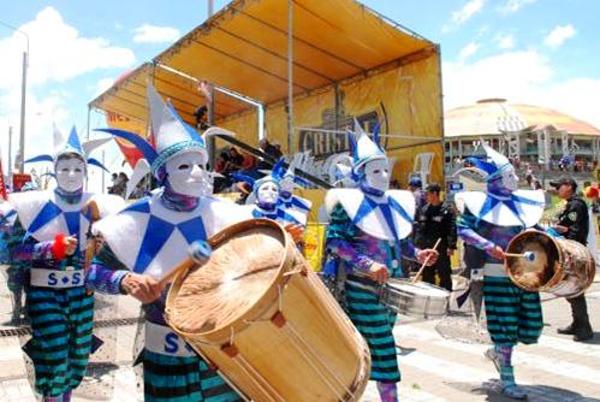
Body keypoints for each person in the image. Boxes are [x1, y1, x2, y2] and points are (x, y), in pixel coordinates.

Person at [90, 84, 252, 402]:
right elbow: (92, 272)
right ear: (162, 172)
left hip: (224, 355)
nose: (195, 173)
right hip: (166, 359)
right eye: (183, 165)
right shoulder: (134, 218)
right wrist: (125, 281)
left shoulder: (228, 214)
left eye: (201, 165)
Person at [0, 126, 123, 402]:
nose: (71, 175)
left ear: (86, 171)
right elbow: (10, 254)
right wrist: (49, 248)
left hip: (83, 294)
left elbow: (117, 253)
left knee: (77, 358)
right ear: (54, 170)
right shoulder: (30, 205)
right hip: (45, 294)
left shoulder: (101, 206)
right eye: (64, 168)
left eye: (77, 169)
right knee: (53, 354)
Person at [323, 121, 438, 402]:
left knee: (368, 346)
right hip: (362, 288)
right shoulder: (348, 204)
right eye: (376, 170)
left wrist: (417, 253)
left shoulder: (394, 203)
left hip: (393, 287)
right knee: (384, 348)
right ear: (360, 173)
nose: (384, 175)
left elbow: (398, 241)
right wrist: (367, 264)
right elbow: (335, 242)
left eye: (386, 169)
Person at [455, 144, 546, 400]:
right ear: (496, 180)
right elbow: (463, 230)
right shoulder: (479, 203)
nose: (515, 178)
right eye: (510, 175)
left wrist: (552, 237)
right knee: (504, 326)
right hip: (496, 273)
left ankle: (498, 353)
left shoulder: (523, 204)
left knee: (531, 326)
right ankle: (507, 377)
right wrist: (488, 246)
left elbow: (535, 229)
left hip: (527, 273)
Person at [551, 177, 594, 342]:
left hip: (574, 253)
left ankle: (584, 328)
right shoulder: (570, 204)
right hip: (569, 251)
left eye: (559, 187)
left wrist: (562, 230)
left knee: (574, 290)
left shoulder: (577, 204)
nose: (557, 190)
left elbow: (576, 232)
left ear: (569, 186)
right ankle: (578, 323)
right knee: (570, 290)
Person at [413, 183, 457, 291]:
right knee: (427, 274)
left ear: (435, 194)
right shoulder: (424, 209)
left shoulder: (446, 210)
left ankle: (446, 296)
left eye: (427, 194)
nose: (425, 197)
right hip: (426, 247)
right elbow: (419, 228)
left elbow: (452, 229)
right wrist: (417, 245)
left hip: (441, 247)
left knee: (444, 273)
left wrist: (451, 246)